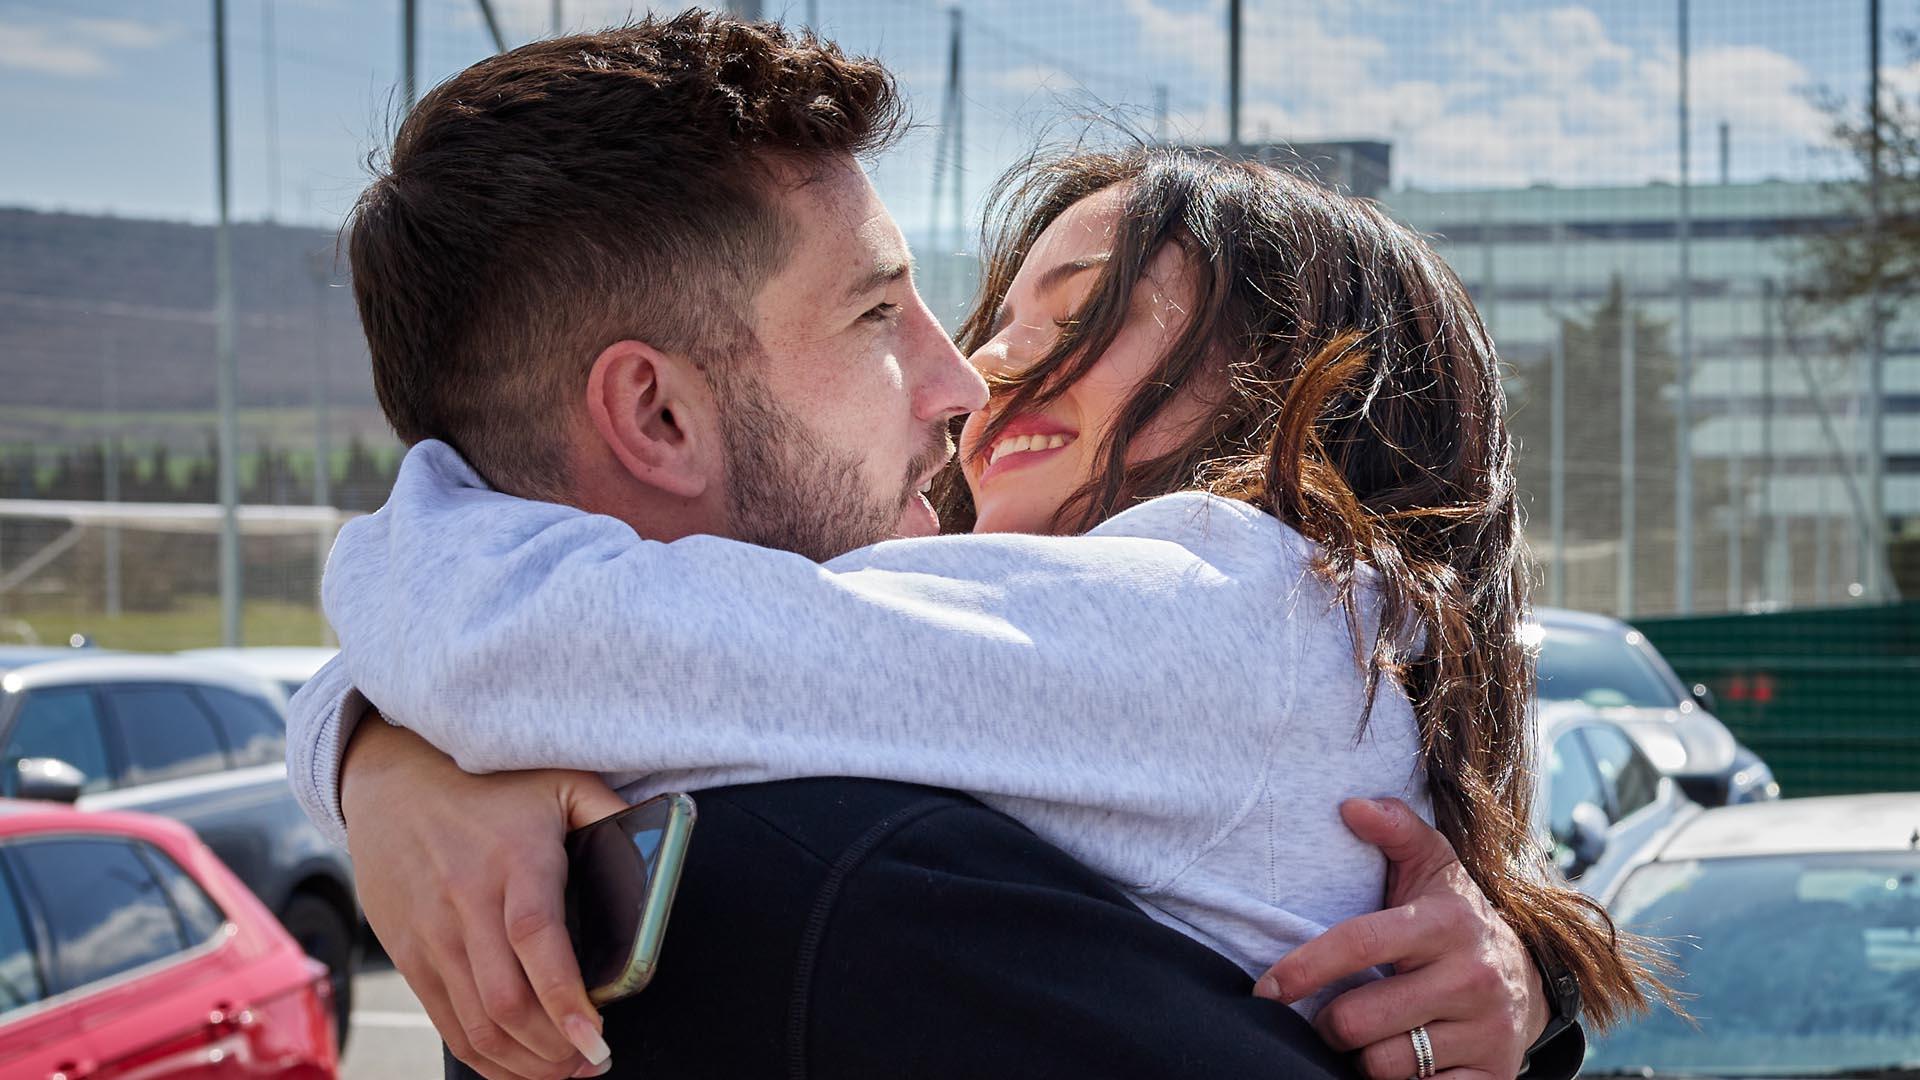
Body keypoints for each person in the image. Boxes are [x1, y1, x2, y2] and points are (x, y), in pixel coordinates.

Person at [294, 13, 1599, 1079]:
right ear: (656, 411)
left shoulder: (1237, 606)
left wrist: (377, 741)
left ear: (1290, 390)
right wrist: (385, 749)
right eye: (885, 312)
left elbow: (513, 635)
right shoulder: (1109, 684)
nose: (974, 374)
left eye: (1085, 319)